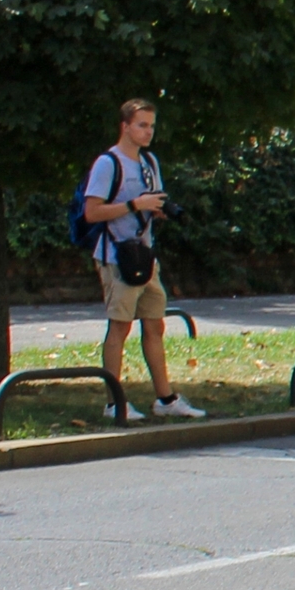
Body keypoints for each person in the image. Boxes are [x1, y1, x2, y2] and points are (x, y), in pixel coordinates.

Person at [81, 98, 203, 423]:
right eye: (141, 125)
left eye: (151, 126)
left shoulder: (149, 162)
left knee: (155, 325)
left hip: (145, 255)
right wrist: (135, 204)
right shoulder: (109, 163)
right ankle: (113, 403)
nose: (148, 132)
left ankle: (165, 398)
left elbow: (152, 202)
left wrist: (158, 208)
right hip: (116, 257)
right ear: (125, 127)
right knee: (119, 327)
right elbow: (91, 212)